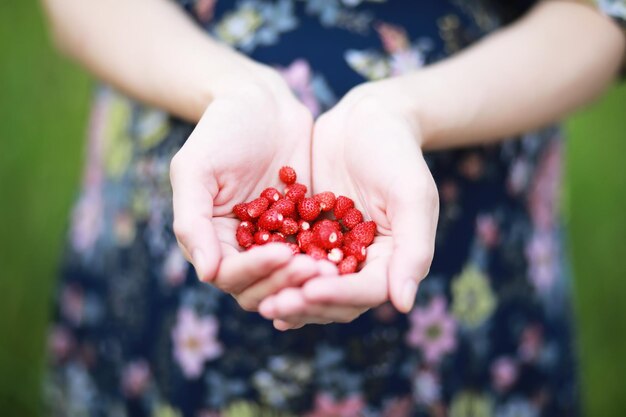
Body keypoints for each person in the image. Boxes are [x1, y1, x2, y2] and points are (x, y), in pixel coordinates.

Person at [43, 0, 625, 415]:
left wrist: (408, 110)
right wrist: (229, 88)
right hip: (175, 189)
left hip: (472, 235)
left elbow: (602, 16)